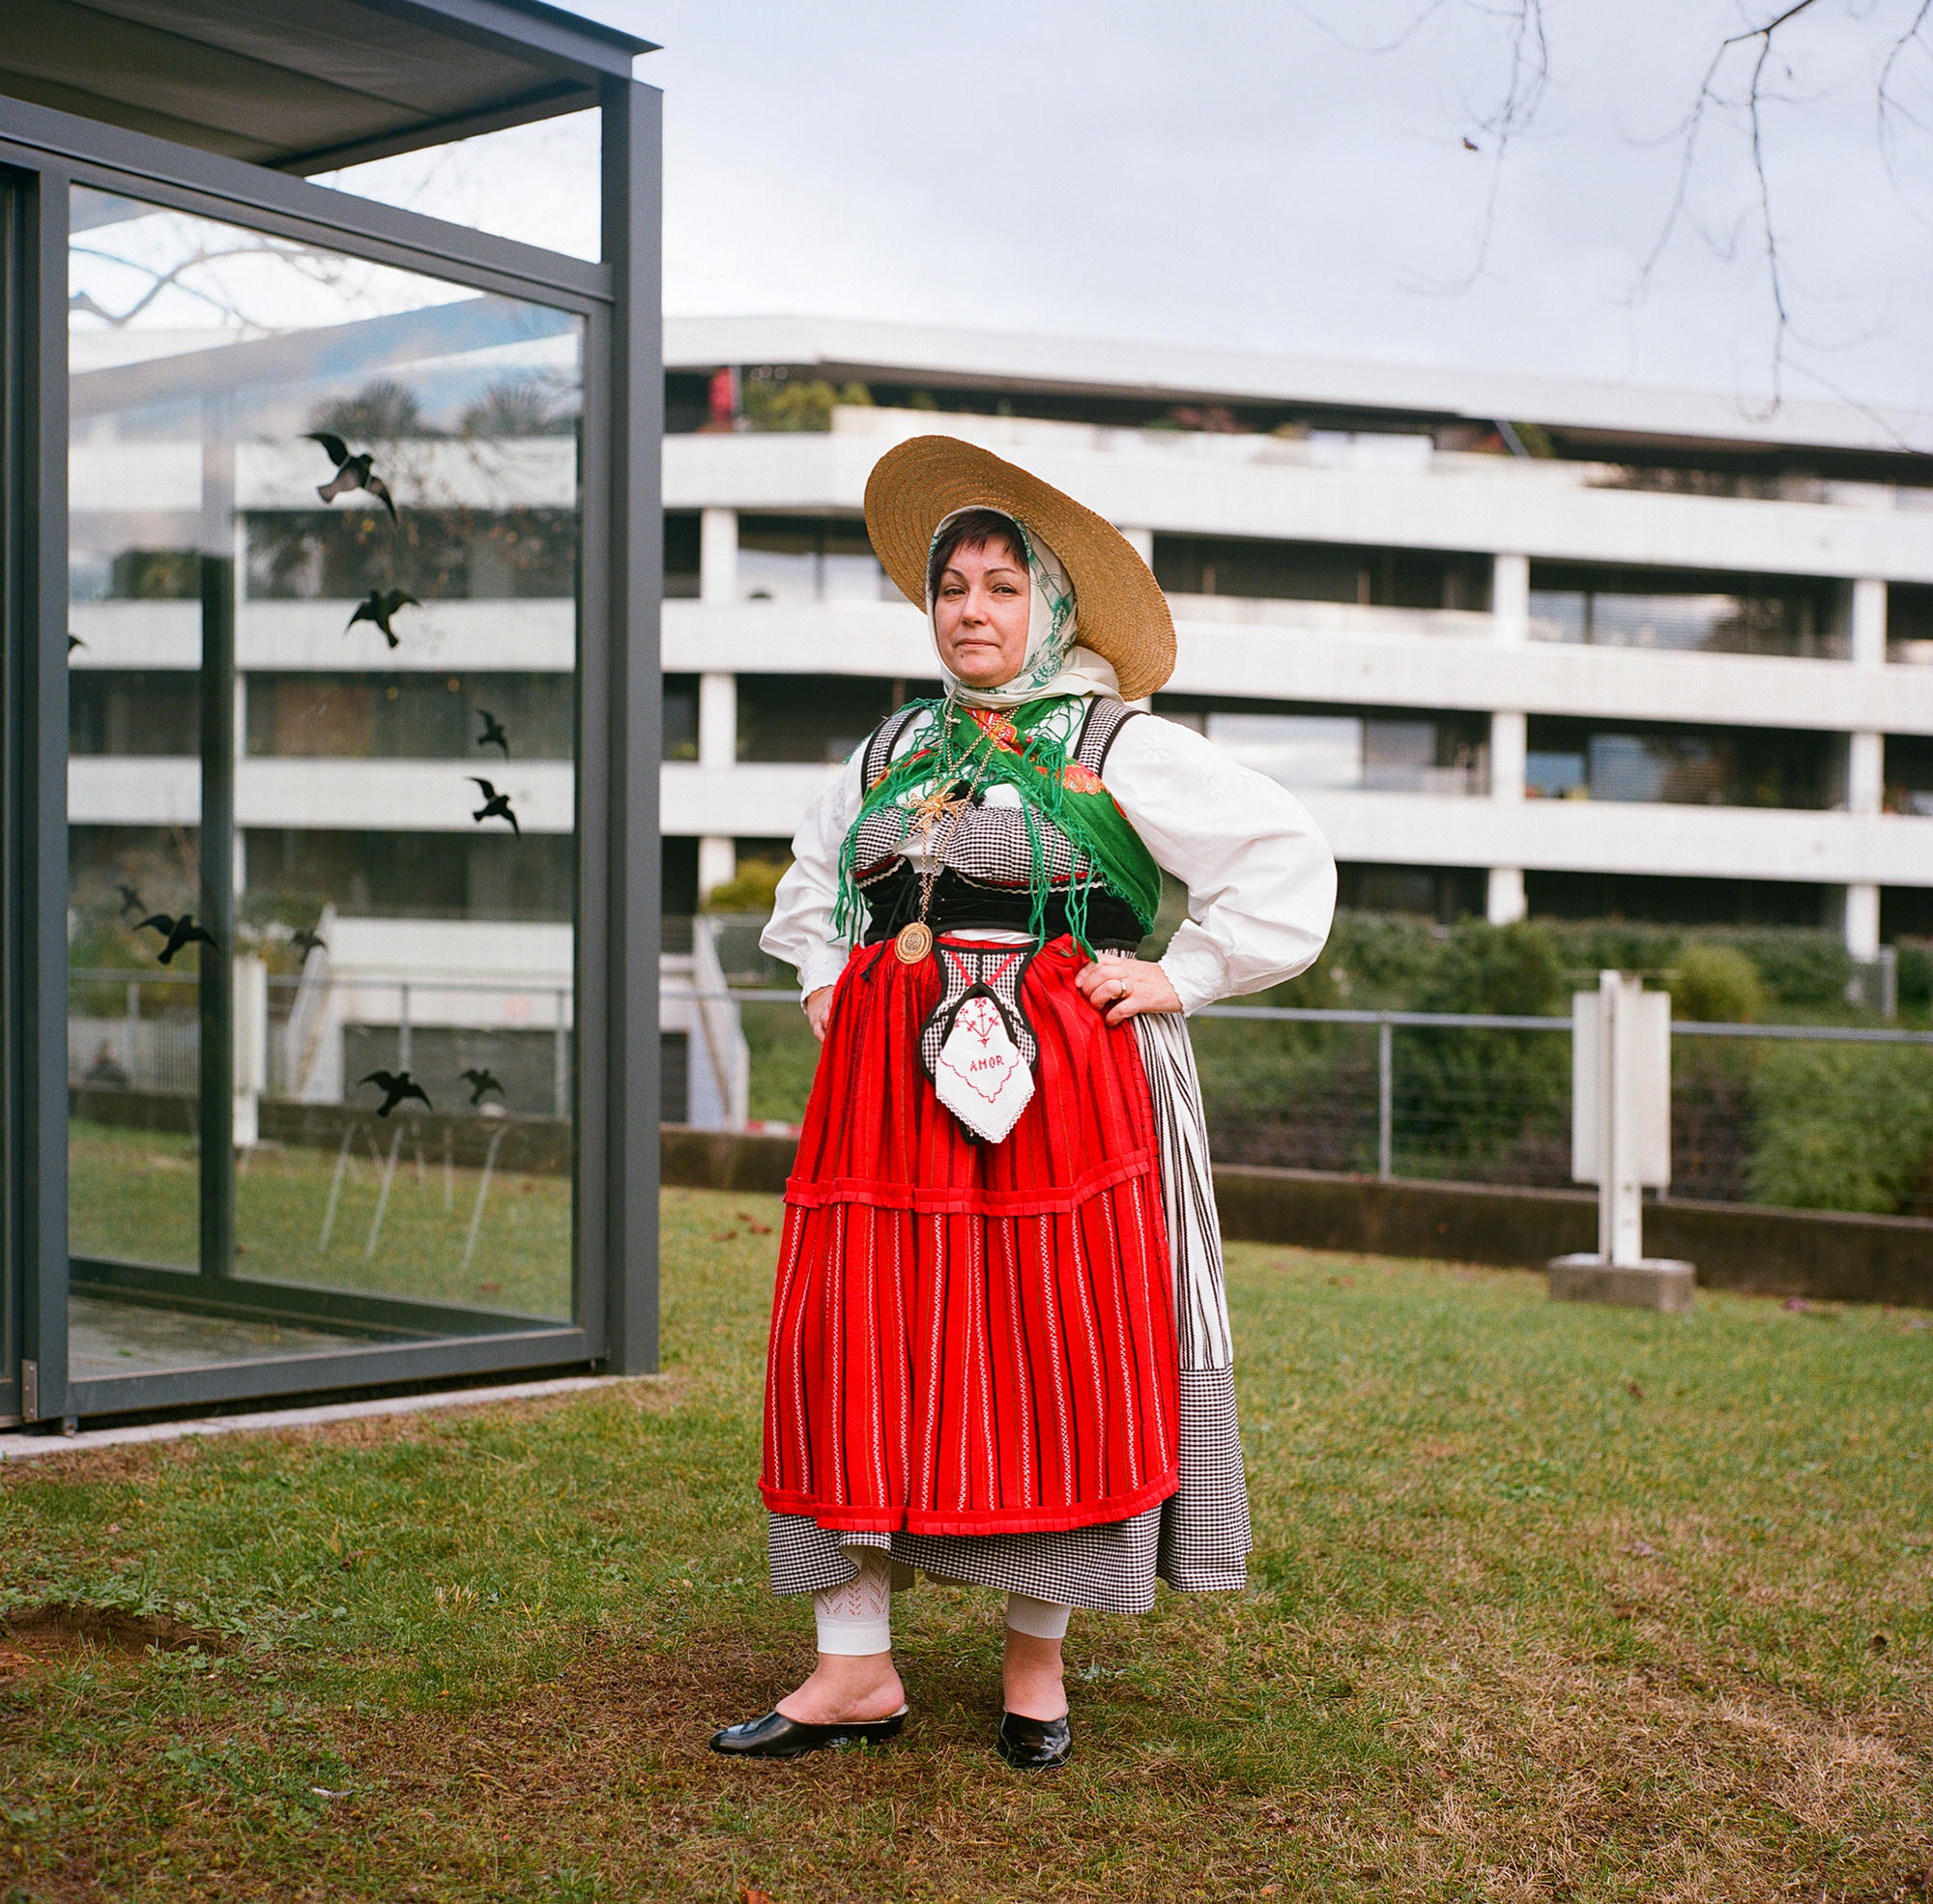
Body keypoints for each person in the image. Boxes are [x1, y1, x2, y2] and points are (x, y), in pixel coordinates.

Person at [712, 436, 1336, 1771]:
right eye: (953, 588)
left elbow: (1285, 859)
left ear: (1048, 607)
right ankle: (851, 1664)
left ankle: (1037, 1665)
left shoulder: (1119, 742)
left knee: (1048, 1348)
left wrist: (1181, 973)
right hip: (884, 1107)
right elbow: (813, 880)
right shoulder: (892, 744)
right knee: (854, 1341)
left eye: (1001, 586)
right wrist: (834, 978)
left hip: (1060, 1098)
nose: (973, 610)